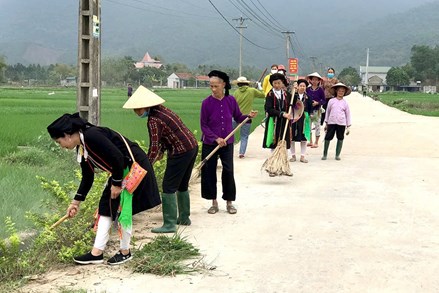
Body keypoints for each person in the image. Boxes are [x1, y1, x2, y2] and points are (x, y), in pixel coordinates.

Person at [47, 113, 160, 265]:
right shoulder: (82, 147)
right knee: (105, 207)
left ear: (67, 135)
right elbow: (88, 176)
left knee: (122, 209)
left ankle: (125, 252)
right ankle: (97, 253)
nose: (61, 146)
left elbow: (118, 157)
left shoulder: (92, 135)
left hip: (134, 167)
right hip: (120, 171)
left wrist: (117, 183)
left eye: (59, 142)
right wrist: (75, 202)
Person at [123, 86, 198, 233]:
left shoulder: (153, 120)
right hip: (191, 146)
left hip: (180, 151)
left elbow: (154, 145)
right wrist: (162, 151)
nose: (136, 112)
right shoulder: (163, 110)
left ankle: (169, 224)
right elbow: (166, 135)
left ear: (145, 106)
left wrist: (145, 165)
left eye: (137, 109)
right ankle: (184, 218)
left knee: (168, 186)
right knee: (182, 184)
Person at [200, 70, 258, 214]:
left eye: (216, 86)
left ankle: (229, 202)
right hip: (210, 143)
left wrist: (248, 117)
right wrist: (216, 138)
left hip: (227, 142)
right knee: (209, 172)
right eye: (211, 86)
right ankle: (213, 202)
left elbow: (238, 117)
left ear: (223, 85)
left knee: (228, 171)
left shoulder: (230, 100)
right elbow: (204, 125)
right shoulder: (206, 103)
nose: (213, 89)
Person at [262, 73, 294, 176]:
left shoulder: (286, 94)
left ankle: (285, 167)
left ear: (282, 83)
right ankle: (272, 167)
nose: (276, 85)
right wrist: (281, 114)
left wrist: (296, 91)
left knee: (285, 144)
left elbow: (294, 102)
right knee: (274, 144)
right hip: (274, 122)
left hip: (285, 123)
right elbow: (269, 109)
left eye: (279, 83)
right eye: (274, 83)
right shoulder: (270, 95)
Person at [232, 76, 265, 158]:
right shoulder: (252, 90)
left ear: (238, 84)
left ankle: (229, 150)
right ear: (247, 83)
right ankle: (241, 153)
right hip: (247, 117)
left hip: (235, 116)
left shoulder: (235, 92)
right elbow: (264, 95)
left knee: (230, 134)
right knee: (244, 136)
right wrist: (260, 87)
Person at [322, 83, 352, 161]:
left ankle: (337, 155)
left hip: (341, 123)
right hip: (331, 122)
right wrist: (326, 123)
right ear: (336, 91)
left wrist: (348, 127)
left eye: (342, 91)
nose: (340, 92)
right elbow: (327, 112)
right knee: (328, 137)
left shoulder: (345, 103)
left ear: (344, 93)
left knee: (340, 138)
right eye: (339, 91)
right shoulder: (331, 101)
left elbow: (348, 114)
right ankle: (325, 154)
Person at [290, 79, 312, 163]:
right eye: (301, 86)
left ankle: (302, 156)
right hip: (294, 117)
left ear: (306, 87)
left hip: (304, 119)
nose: (302, 87)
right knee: (292, 137)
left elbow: (310, 107)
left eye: (304, 86)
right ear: (298, 87)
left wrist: (309, 115)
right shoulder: (293, 96)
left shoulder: (308, 97)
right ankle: (293, 156)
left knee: (304, 137)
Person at [306, 72, 326, 148]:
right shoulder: (307, 89)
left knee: (317, 126)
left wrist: (317, 103)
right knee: (308, 126)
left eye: (316, 80)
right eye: (313, 79)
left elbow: (324, 100)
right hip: (309, 110)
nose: (314, 81)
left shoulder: (320, 90)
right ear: (310, 80)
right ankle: (310, 141)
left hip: (317, 111)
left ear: (318, 81)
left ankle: (316, 142)